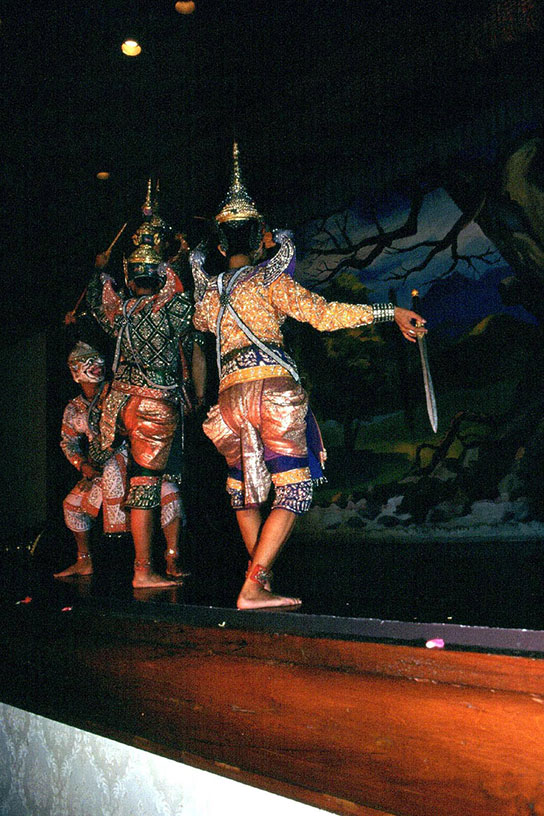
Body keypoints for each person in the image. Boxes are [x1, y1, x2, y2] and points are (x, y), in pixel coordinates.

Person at [191, 142, 426, 610]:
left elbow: (199, 337)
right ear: (259, 239)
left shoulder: (208, 296)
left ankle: (259, 582)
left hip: (229, 398)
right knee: (293, 487)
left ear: (219, 246)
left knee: (244, 492)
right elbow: (324, 314)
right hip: (272, 391)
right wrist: (390, 312)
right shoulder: (270, 281)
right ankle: (254, 585)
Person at [86, 184, 203, 588]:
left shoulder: (122, 312)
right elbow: (189, 297)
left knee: (146, 483)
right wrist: (182, 256)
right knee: (147, 487)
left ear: (130, 276)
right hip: (155, 407)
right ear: (160, 273)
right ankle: (143, 569)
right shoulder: (171, 310)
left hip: (122, 405)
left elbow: (99, 302)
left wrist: (100, 270)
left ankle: (150, 565)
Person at [56, 342, 189, 580]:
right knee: (72, 506)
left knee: (170, 495)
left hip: (134, 462)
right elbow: (68, 442)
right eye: (88, 362)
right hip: (101, 470)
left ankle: (172, 557)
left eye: (98, 359)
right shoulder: (74, 408)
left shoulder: (117, 391)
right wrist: (82, 465)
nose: (97, 365)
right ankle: (84, 560)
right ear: (75, 372)